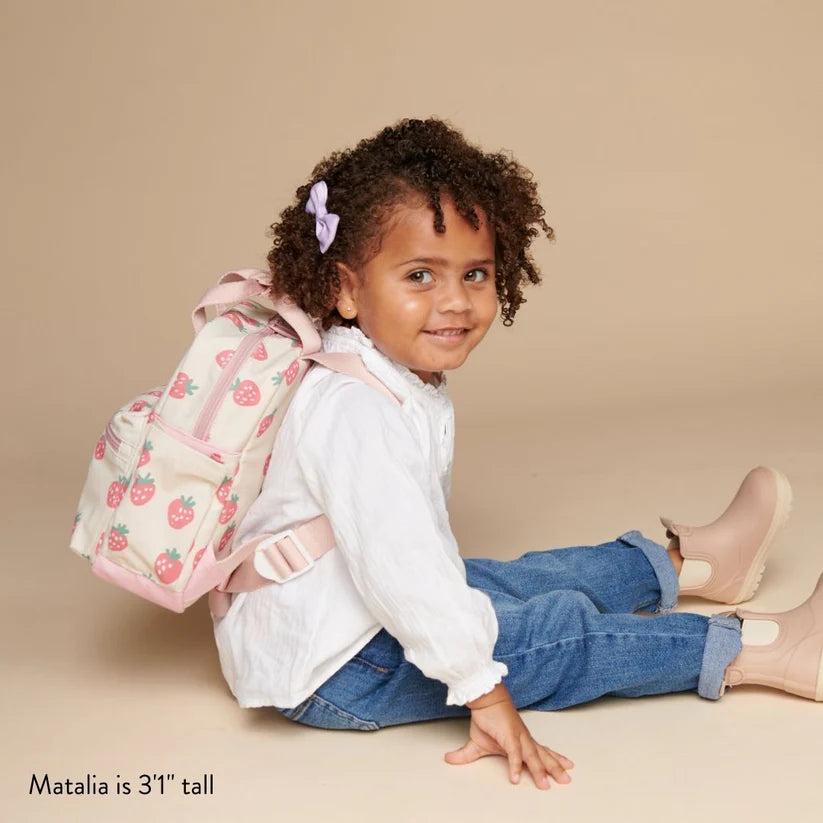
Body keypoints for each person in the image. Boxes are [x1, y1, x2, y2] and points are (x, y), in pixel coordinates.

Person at [212, 117, 822, 791]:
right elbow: (405, 573)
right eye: (419, 275)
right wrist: (482, 690)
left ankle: (694, 565)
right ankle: (762, 649)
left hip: (339, 609)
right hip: (338, 668)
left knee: (519, 580)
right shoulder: (357, 411)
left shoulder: (382, 367)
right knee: (556, 634)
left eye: (475, 273)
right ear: (347, 288)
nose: (454, 301)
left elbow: (411, 561)